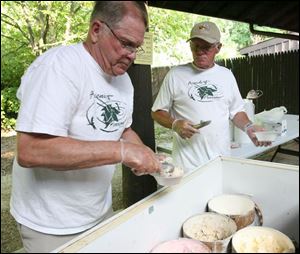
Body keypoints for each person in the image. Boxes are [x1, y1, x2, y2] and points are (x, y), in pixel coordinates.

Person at [10, 2, 161, 253]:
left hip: (98, 212)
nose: (132, 55)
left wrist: (146, 155)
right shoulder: (59, 67)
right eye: (126, 43)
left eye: (137, 46)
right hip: (51, 224)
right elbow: (30, 151)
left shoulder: (123, 80)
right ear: (96, 30)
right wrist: (121, 152)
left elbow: (122, 129)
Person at [151, 21, 270, 173]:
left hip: (220, 161)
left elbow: (236, 111)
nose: (200, 51)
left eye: (206, 47)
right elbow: (156, 112)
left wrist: (249, 127)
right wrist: (175, 124)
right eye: (195, 46)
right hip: (187, 166)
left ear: (218, 48)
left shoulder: (226, 76)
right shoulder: (175, 75)